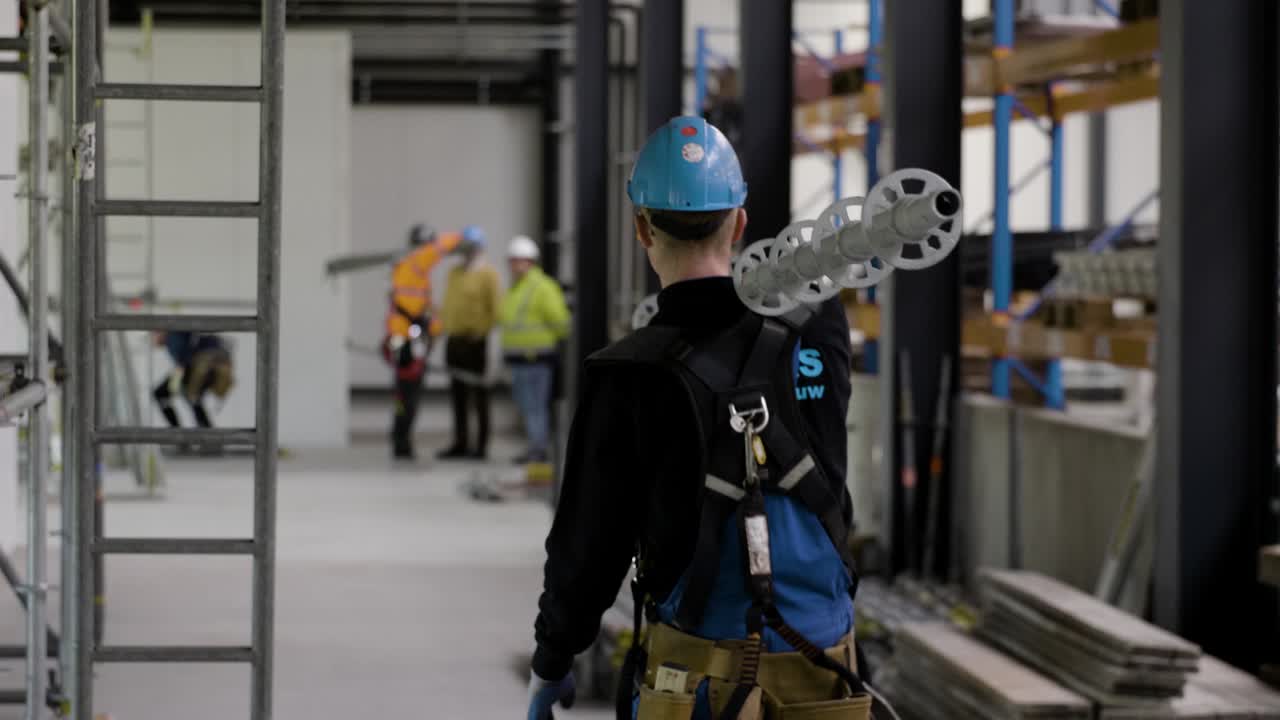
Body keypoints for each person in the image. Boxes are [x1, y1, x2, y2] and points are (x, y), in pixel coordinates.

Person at [527, 117, 870, 720]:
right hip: (826, 680)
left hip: (694, 690)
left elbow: (590, 543)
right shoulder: (817, 323)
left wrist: (552, 660)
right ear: (740, 222)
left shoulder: (626, 372)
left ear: (640, 229)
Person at [383, 223, 481, 460]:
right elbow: (437, 249)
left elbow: (423, 308)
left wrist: (435, 328)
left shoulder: (414, 274)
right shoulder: (415, 263)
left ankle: (401, 437)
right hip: (405, 341)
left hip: (407, 339)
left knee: (405, 392)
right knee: (406, 393)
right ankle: (400, 439)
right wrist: (461, 237)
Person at [499, 235, 570, 464]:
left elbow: (561, 322)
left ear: (529, 261)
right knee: (527, 406)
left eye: (516, 260)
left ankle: (538, 451)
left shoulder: (542, 287)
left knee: (535, 407)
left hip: (537, 359)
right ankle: (534, 447)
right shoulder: (517, 288)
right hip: (520, 359)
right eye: (511, 260)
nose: (512, 265)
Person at [437, 228, 501, 460]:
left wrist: (482, 333)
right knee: (458, 396)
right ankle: (460, 442)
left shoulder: (488, 275)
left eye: (471, 247)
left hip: (476, 342)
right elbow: (448, 305)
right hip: (454, 341)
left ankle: (481, 446)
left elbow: (495, 311)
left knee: (480, 396)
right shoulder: (454, 273)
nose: (467, 252)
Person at [153, 331, 234, 430]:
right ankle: (207, 435)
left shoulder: (172, 338)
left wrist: (174, 386)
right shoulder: (176, 336)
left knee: (161, 394)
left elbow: (183, 365)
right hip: (205, 369)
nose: (153, 338)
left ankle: (179, 434)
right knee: (192, 398)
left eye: (154, 334)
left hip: (200, 368)